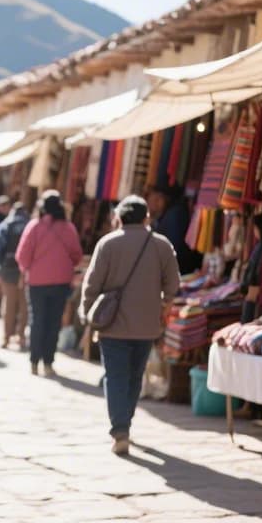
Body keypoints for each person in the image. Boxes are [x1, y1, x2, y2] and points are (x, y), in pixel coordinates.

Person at [80, 195, 179, 455]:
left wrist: (86, 314)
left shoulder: (107, 244)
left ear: (119, 217)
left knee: (115, 376)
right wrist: (164, 306)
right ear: (146, 217)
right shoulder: (161, 245)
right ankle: (125, 424)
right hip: (147, 325)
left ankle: (120, 430)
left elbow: (91, 285)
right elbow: (173, 284)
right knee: (135, 376)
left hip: (112, 325)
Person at [16, 190, 83, 377]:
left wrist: (29, 269)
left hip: (37, 282)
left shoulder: (34, 226)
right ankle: (48, 362)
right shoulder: (68, 228)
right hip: (61, 283)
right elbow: (76, 255)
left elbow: (22, 256)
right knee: (54, 322)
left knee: (37, 321)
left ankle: (34, 362)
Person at [0, 202, 30, 349]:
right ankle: (21, 337)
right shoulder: (30, 225)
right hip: (26, 271)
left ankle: (6, 337)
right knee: (24, 305)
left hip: (8, 269)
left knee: (9, 304)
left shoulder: (6, 225)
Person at [148, 188, 199, 274]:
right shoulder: (171, 214)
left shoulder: (174, 215)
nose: (149, 203)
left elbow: (175, 249)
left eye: (152, 199)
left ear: (160, 199)